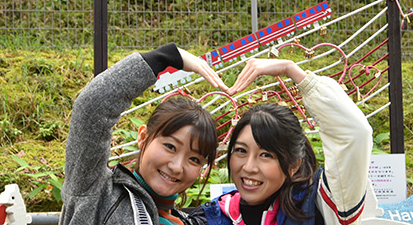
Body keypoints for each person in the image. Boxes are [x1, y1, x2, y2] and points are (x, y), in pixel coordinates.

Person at [61, 43, 229, 225]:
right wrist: (164, 57)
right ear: (142, 137)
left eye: (194, 159)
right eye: (170, 147)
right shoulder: (97, 192)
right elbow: (91, 108)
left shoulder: (183, 221)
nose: (177, 167)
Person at [194, 59, 373, 225]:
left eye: (266, 155)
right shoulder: (213, 217)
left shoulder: (321, 205)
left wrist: (293, 71)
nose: (249, 167)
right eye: (241, 151)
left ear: (293, 166)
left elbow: (355, 133)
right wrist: (170, 58)